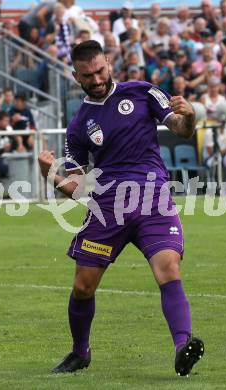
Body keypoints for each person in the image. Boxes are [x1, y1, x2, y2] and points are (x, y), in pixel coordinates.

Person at [38, 40, 204, 376]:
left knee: (168, 268)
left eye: (100, 70)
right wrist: (51, 175)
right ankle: (80, 352)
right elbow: (79, 188)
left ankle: (182, 347)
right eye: (88, 75)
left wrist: (191, 117)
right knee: (83, 286)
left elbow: (181, 129)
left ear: (109, 63)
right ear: (76, 76)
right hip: (108, 207)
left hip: (153, 198)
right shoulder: (79, 125)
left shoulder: (142, 92)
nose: (96, 79)